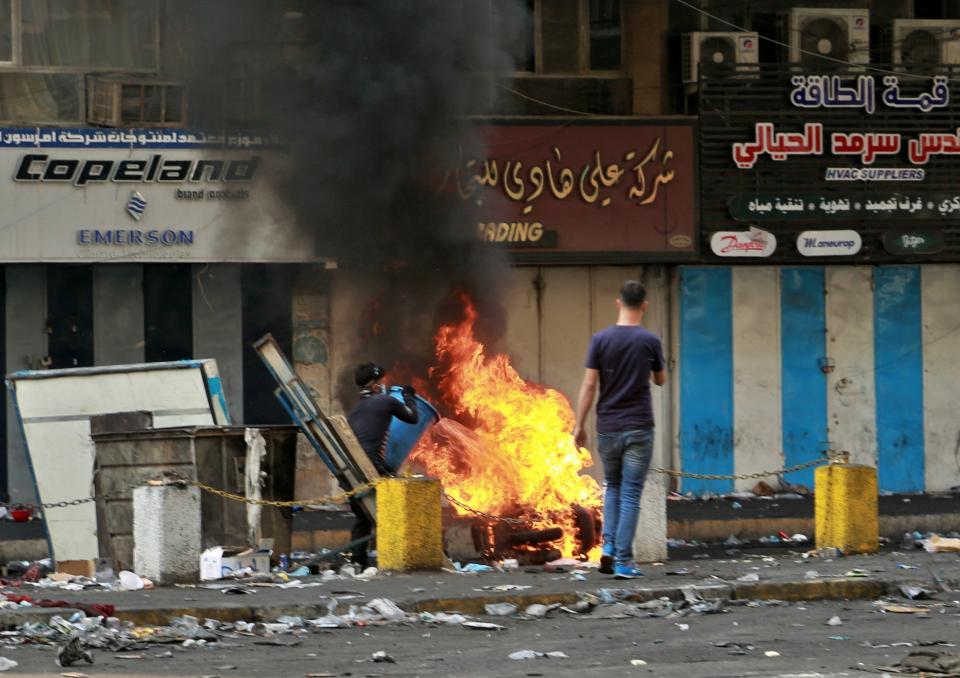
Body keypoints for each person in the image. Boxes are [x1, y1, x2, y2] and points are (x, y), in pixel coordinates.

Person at [573, 280, 666, 579]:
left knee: (612, 487)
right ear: (645, 306)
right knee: (630, 493)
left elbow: (589, 385)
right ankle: (624, 561)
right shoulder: (649, 341)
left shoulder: (600, 340)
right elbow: (660, 380)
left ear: (618, 303)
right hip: (639, 427)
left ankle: (610, 548)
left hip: (608, 428)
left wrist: (579, 426)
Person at [345, 361, 419, 569]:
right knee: (391, 512)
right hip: (372, 468)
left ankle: (357, 563)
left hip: (352, 469)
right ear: (374, 384)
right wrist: (409, 397)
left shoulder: (356, 409)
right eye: (382, 380)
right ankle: (395, 560)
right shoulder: (386, 401)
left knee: (362, 518)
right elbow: (414, 418)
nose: (385, 384)